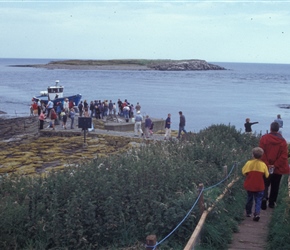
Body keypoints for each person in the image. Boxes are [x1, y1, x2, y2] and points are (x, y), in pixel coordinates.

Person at [259, 122, 289, 209]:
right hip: (278, 168)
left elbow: (261, 153)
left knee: (265, 183)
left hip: (265, 166)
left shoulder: (264, 138)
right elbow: (284, 156)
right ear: (278, 129)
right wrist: (274, 165)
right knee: (275, 185)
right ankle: (272, 203)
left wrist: (267, 164)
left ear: (270, 128)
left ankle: (264, 199)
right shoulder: (283, 141)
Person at [242, 147, 269, 222]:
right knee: (258, 200)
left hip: (250, 184)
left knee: (249, 198)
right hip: (259, 185)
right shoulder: (263, 164)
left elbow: (244, 172)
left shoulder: (249, 163)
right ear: (262, 156)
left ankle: (248, 212)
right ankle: (257, 213)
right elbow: (267, 175)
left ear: (253, 155)